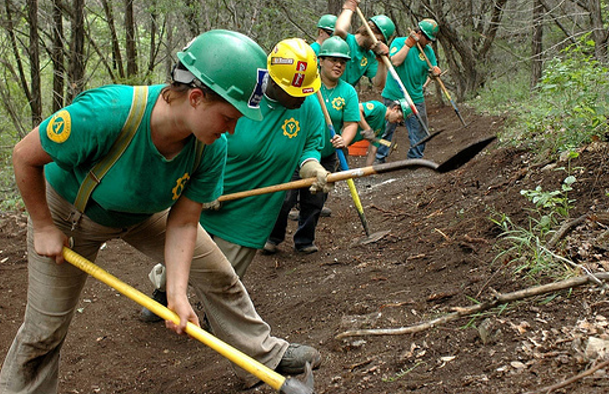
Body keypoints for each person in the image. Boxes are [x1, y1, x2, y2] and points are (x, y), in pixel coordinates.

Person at [1, 30, 321, 394]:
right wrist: (43, 225)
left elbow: (184, 221)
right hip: (69, 216)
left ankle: (263, 360)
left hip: (144, 214)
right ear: (197, 98)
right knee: (44, 331)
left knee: (220, 276)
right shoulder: (105, 114)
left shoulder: (211, 146)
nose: (233, 128)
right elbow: (25, 156)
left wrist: (178, 294)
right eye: (229, 117)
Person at [139, 37, 329, 298]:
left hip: (254, 208)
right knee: (184, 251)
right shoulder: (241, 95)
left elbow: (309, 148)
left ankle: (215, 315)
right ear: (272, 80)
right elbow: (204, 136)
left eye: (306, 92)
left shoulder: (309, 109)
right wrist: (207, 189)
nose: (301, 99)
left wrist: (312, 168)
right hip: (210, 192)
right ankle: (163, 292)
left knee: (225, 274)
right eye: (294, 93)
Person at [265, 36, 359, 255]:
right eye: (333, 60)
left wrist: (344, 138)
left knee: (315, 200)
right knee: (284, 198)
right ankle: (273, 237)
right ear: (320, 61)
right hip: (295, 151)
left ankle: (305, 240)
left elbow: (351, 122)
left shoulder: (347, 92)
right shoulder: (306, 85)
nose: (338, 65)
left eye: (343, 62)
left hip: (324, 154)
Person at [375, 18, 441, 163]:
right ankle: (379, 159)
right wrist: (408, 45)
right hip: (393, 94)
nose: (429, 42)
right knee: (386, 129)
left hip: (416, 97)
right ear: (419, 33)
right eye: (427, 38)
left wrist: (434, 73)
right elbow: (395, 61)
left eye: (431, 40)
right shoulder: (399, 42)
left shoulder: (428, 52)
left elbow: (431, 71)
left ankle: (414, 160)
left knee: (420, 131)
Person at [333, 0, 395, 89]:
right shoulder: (346, 40)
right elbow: (339, 30)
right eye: (377, 39)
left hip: (345, 96)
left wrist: (382, 61)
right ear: (369, 30)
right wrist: (349, 8)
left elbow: (379, 85)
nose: (376, 43)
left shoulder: (371, 56)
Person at [357, 99, 411, 166]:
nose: (398, 121)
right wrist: (367, 129)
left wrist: (367, 171)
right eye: (399, 117)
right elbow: (357, 108)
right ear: (395, 108)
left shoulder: (381, 128)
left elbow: (373, 151)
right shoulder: (378, 107)